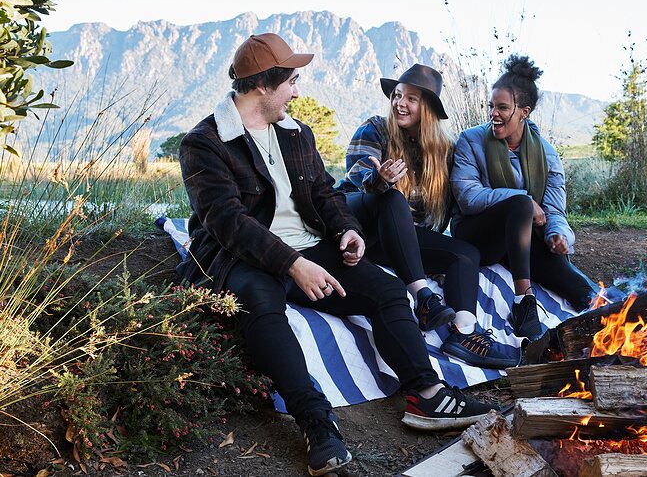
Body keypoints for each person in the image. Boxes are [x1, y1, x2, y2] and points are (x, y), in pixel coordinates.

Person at [177, 34, 497, 476]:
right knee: (261, 306)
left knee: (386, 289)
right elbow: (228, 222)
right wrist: (292, 263)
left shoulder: (295, 133)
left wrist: (345, 229)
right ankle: (315, 422)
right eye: (292, 80)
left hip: (310, 247)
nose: (297, 89)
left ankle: (426, 394)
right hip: (244, 257)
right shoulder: (204, 142)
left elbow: (325, 193)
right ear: (264, 86)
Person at [337, 64, 518, 369]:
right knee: (391, 196)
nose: (400, 103)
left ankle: (465, 334)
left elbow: (451, 209)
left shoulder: (444, 151)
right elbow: (358, 176)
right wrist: (380, 179)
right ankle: (423, 298)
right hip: (357, 223)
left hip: (398, 239)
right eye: (396, 96)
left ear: (428, 109)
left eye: (411, 98)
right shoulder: (376, 128)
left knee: (465, 254)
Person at [450, 54, 596, 342]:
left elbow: (554, 210)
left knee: (580, 288)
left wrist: (558, 235)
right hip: (478, 235)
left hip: (522, 241)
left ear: (524, 112)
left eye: (502, 107)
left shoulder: (547, 154)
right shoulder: (471, 140)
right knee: (519, 204)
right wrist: (524, 200)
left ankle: (613, 327)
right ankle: (523, 301)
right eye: (491, 106)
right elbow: (467, 197)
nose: (494, 113)